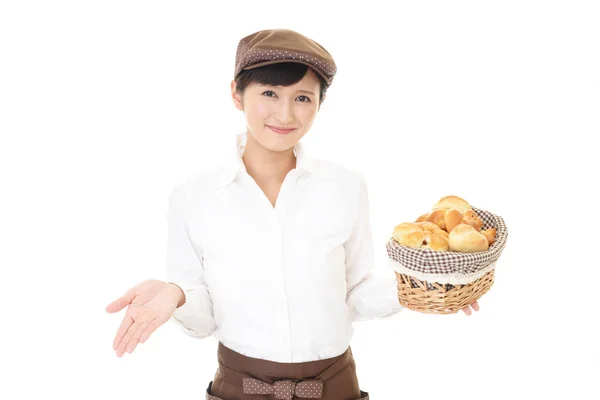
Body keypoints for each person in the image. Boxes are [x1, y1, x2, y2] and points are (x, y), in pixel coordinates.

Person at [106, 28, 479, 400]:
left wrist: (422, 286)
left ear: (319, 103)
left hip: (335, 389)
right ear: (237, 93)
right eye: (269, 93)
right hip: (239, 391)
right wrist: (175, 294)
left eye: (302, 97)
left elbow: (354, 292)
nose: (285, 114)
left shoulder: (346, 187)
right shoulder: (192, 198)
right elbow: (203, 318)